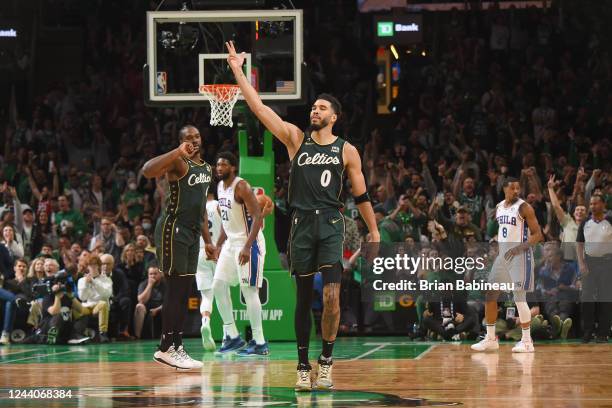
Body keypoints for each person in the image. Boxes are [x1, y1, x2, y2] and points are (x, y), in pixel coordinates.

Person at [227, 41, 379, 390]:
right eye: (313, 106)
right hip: (300, 224)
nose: (315, 110)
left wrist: (374, 231)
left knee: (331, 297)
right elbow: (260, 108)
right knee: (301, 299)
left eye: (321, 108)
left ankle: (325, 361)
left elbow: (362, 194)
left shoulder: (347, 150)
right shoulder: (297, 140)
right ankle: (301, 365)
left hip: (330, 222)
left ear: (334, 117)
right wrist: (237, 71)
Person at [142, 124, 214, 371]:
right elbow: (147, 171)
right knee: (175, 289)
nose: (194, 140)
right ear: (181, 141)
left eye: (196, 136)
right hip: (174, 229)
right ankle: (166, 347)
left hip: (193, 233)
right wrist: (176, 151)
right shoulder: (177, 162)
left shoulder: (206, 168)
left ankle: (177, 346)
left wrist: (208, 240)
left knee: (184, 291)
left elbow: (201, 208)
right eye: (188, 138)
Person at [471, 177, 543, 353]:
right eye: (513, 188)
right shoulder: (499, 207)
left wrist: (519, 248)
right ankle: (490, 338)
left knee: (519, 298)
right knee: (490, 294)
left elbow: (537, 235)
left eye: (518, 188)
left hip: (520, 255)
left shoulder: (524, 207)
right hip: (503, 256)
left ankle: (527, 341)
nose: (516, 191)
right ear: (504, 189)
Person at [212, 152, 268, 356]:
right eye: (217, 164)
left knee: (249, 291)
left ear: (233, 167)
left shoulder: (241, 186)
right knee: (218, 284)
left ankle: (260, 342)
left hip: (248, 242)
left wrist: (246, 247)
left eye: (223, 164)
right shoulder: (219, 187)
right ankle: (233, 336)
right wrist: (218, 244)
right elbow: (225, 221)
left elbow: (258, 216)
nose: (219, 167)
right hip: (230, 243)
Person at [576, 195, 612, 343]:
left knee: (605, 298)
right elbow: (579, 244)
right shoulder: (585, 222)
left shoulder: (610, 221)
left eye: (596, 203)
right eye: (591, 203)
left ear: (603, 204)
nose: (592, 206)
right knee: (586, 298)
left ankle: (603, 332)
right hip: (589, 263)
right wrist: (581, 263)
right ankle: (588, 332)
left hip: (607, 263)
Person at [196, 190, 221, 351]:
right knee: (223, 293)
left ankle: (205, 321)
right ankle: (229, 335)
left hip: (201, 252)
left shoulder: (196, 208)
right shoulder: (219, 205)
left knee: (206, 296)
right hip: (218, 251)